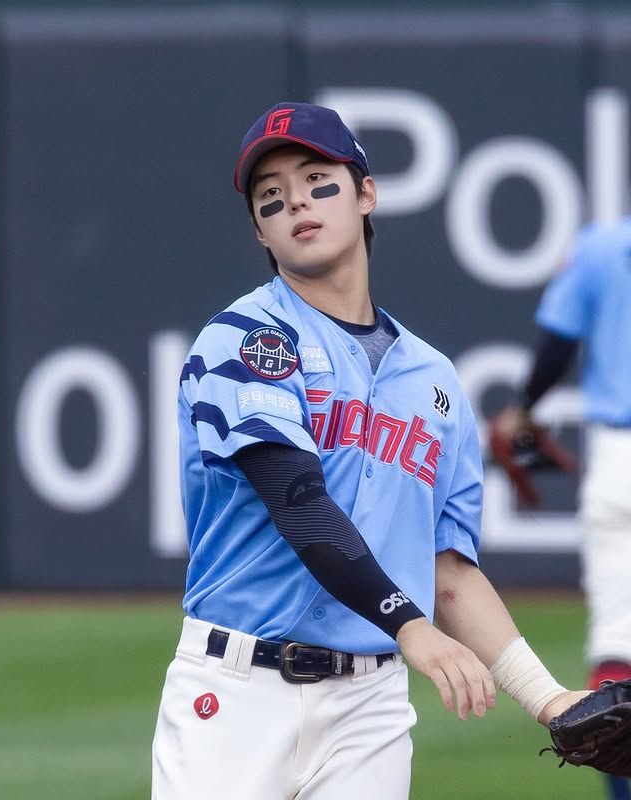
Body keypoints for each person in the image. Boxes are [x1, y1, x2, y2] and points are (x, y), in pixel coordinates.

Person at [151, 101, 589, 800]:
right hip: (235, 693)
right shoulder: (246, 338)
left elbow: (447, 571)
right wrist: (410, 625)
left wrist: (548, 699)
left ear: (365, 194)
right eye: (270, 197)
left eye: (316, 180)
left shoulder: (434, 379)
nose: (296, 201)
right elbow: (299, 504)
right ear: (260, 230)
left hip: (369, 707)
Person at [493, 218, 631, 800]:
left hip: (620, 459)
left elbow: (557, 343)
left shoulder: (604, 246)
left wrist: (523, 409)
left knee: (619, 660)